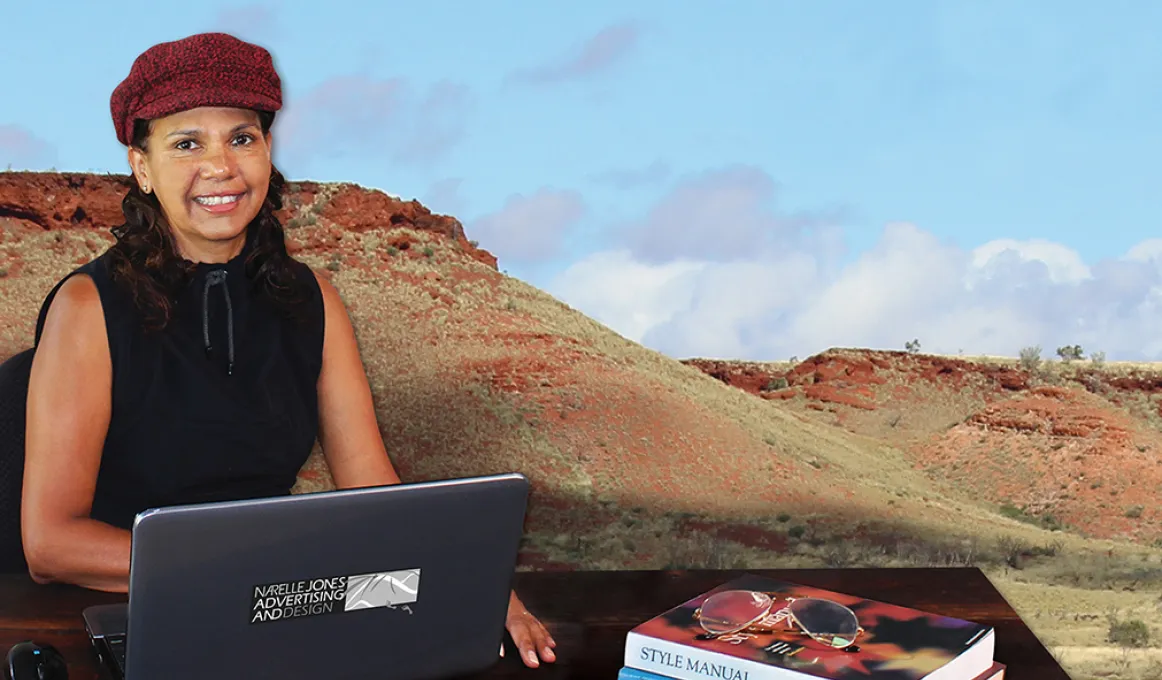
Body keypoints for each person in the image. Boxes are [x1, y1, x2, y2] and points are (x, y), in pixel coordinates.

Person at [19, 32, 556, 669]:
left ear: (267, 150)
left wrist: (475, 585)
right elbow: (50, 544)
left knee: (417, 607)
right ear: (141, 166)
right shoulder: (88, 307)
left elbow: (371, 491)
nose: (220, 167)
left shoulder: (313, 300)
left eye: (241, 138)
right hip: (125, 615)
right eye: (187, 143)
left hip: (272, 602)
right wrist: (246, 572)